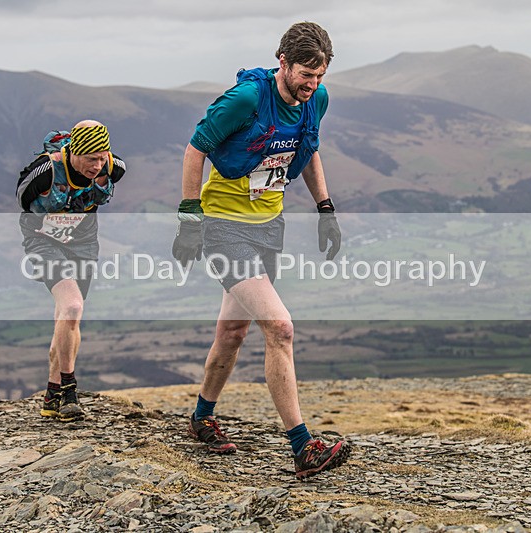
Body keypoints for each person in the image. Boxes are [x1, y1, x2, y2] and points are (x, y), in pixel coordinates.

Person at [171, 21, 348, 479]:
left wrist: (325, 208)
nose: (312, 85)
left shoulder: (316, 100)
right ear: (283, 62)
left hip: (269, 226)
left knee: (233, 332)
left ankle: (201, 418)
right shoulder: (247, 99)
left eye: (320, 76)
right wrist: (189, 220)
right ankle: (303, 446)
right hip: (223, 228)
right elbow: (195, 149)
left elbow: (308, 149)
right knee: (280, 327)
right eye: (305, 74)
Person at [16, 120, 126, 422]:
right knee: (73, 306)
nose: (97, 166)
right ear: (74, 152)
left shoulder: (113, 166)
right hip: (44, 241)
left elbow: (112, 174)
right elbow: (23, 201)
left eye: (102, 158)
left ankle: (51, 394)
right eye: (91, 159)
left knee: (67, 316)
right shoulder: (45, 171)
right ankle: (68, 390)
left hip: (83, 243)